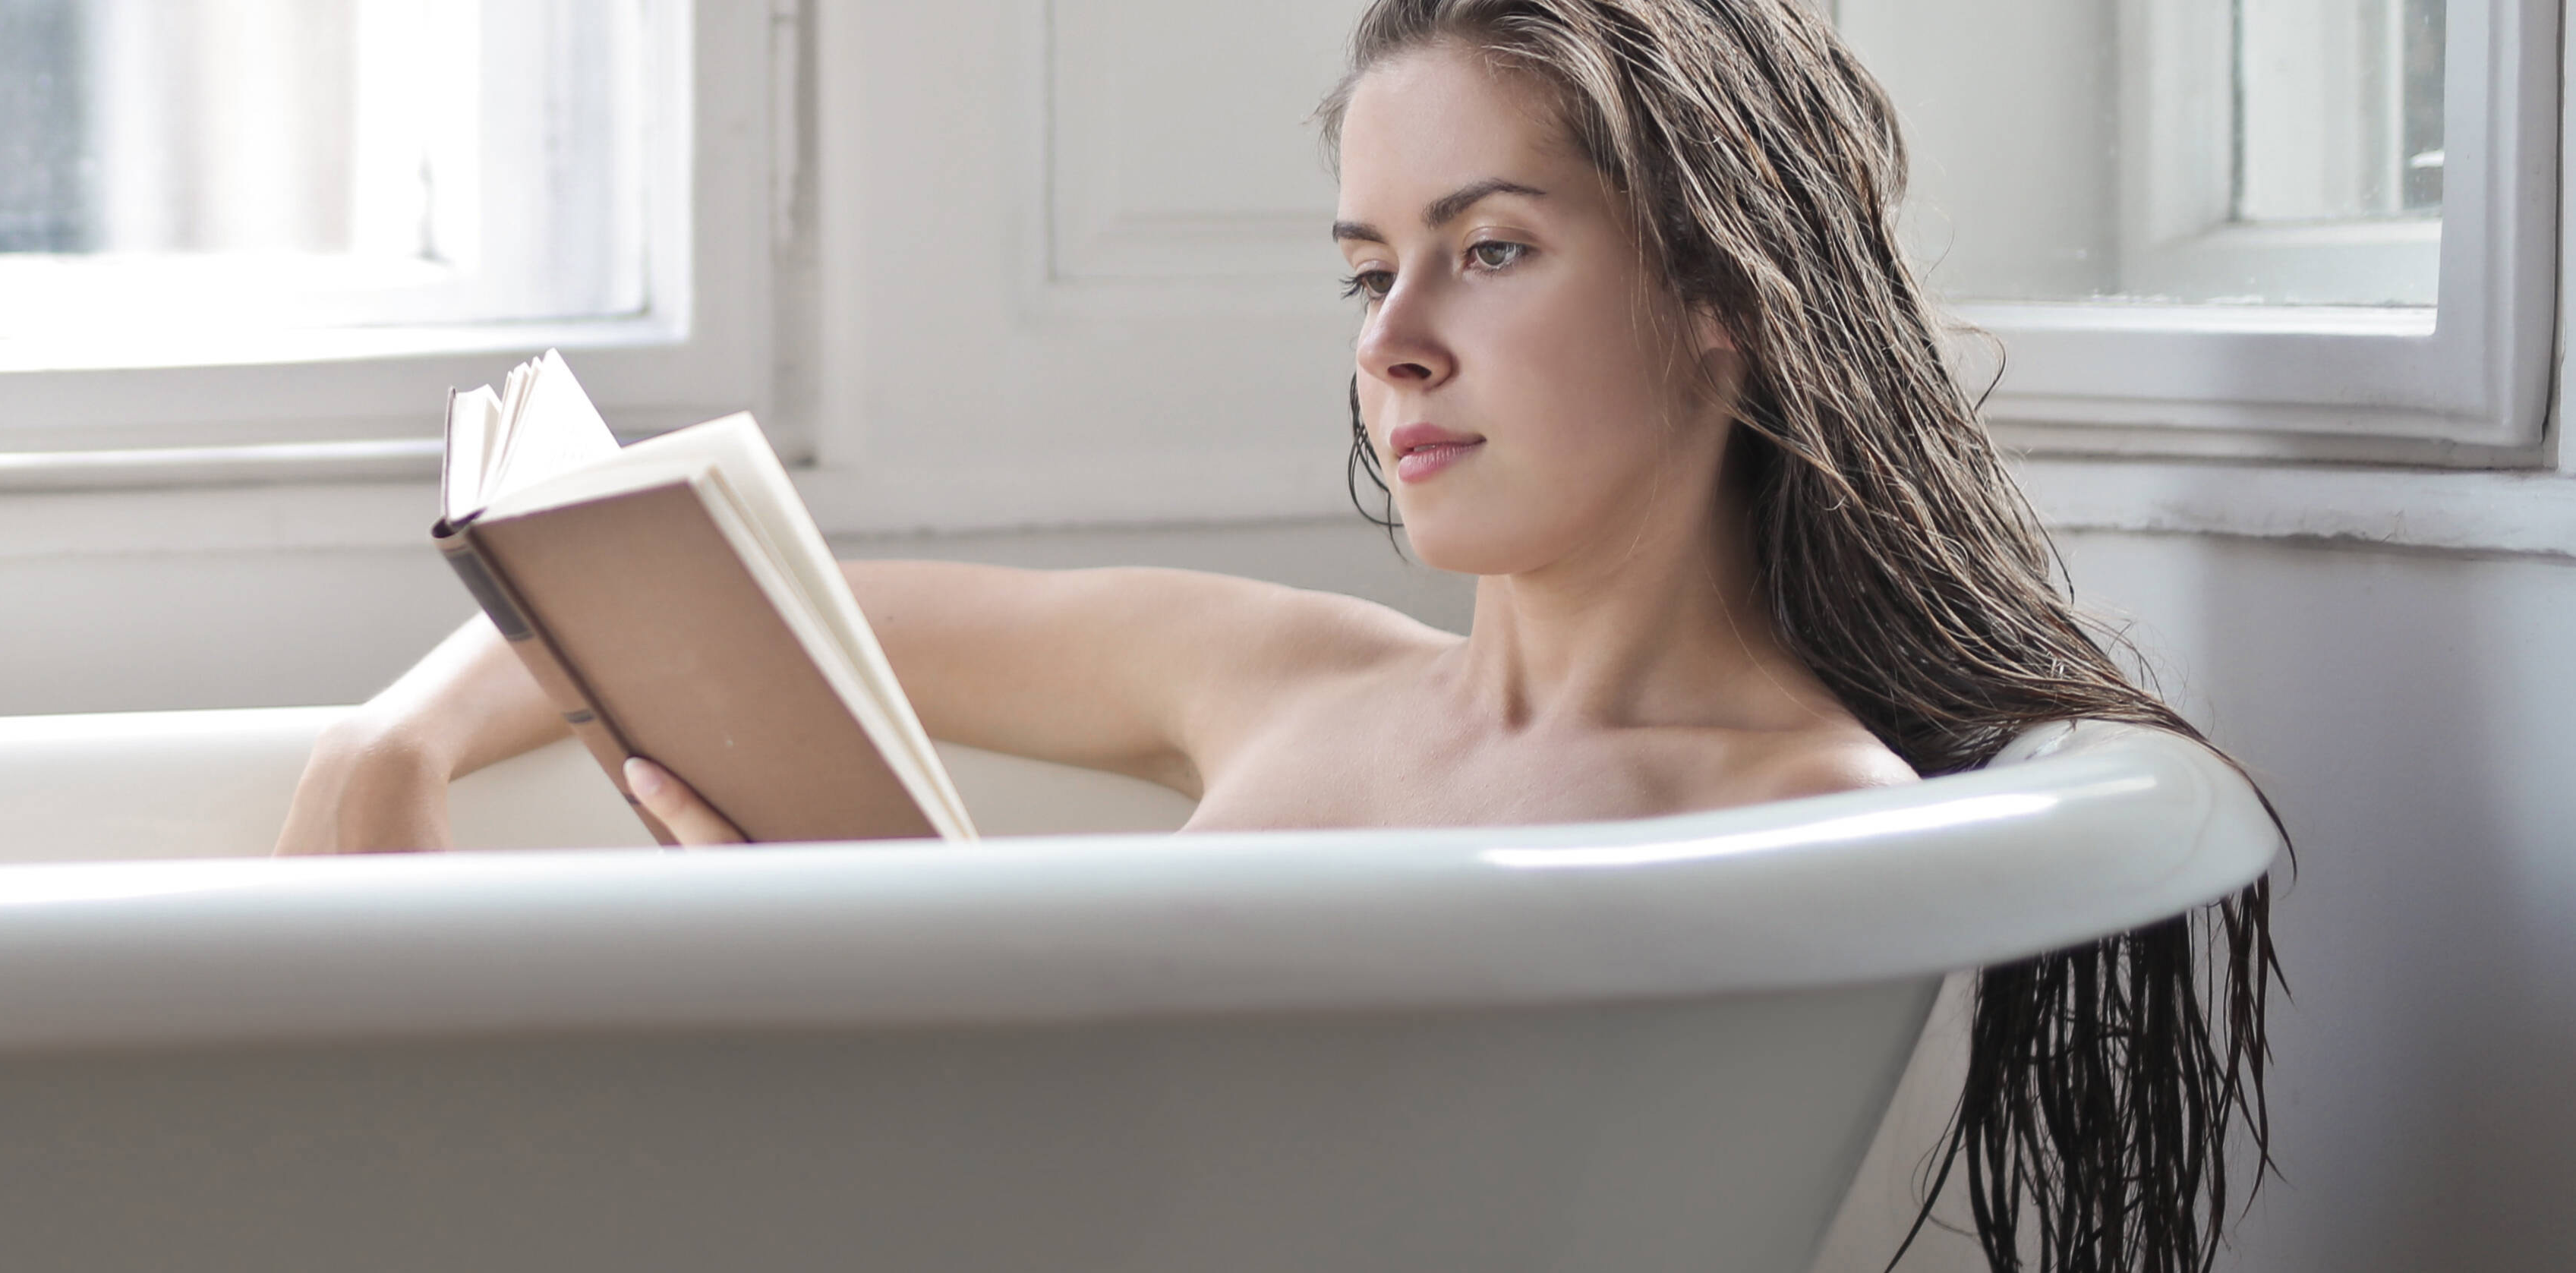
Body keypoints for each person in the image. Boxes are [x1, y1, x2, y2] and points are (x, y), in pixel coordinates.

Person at [274, 2, 2277, 1270]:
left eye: (1485, 250)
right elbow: (677, 573)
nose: (1392, 338)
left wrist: (858, 1001)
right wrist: (394, 750)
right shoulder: (1274, 677)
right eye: (1362, 266)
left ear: (1715, 298)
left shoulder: (1796, 822)